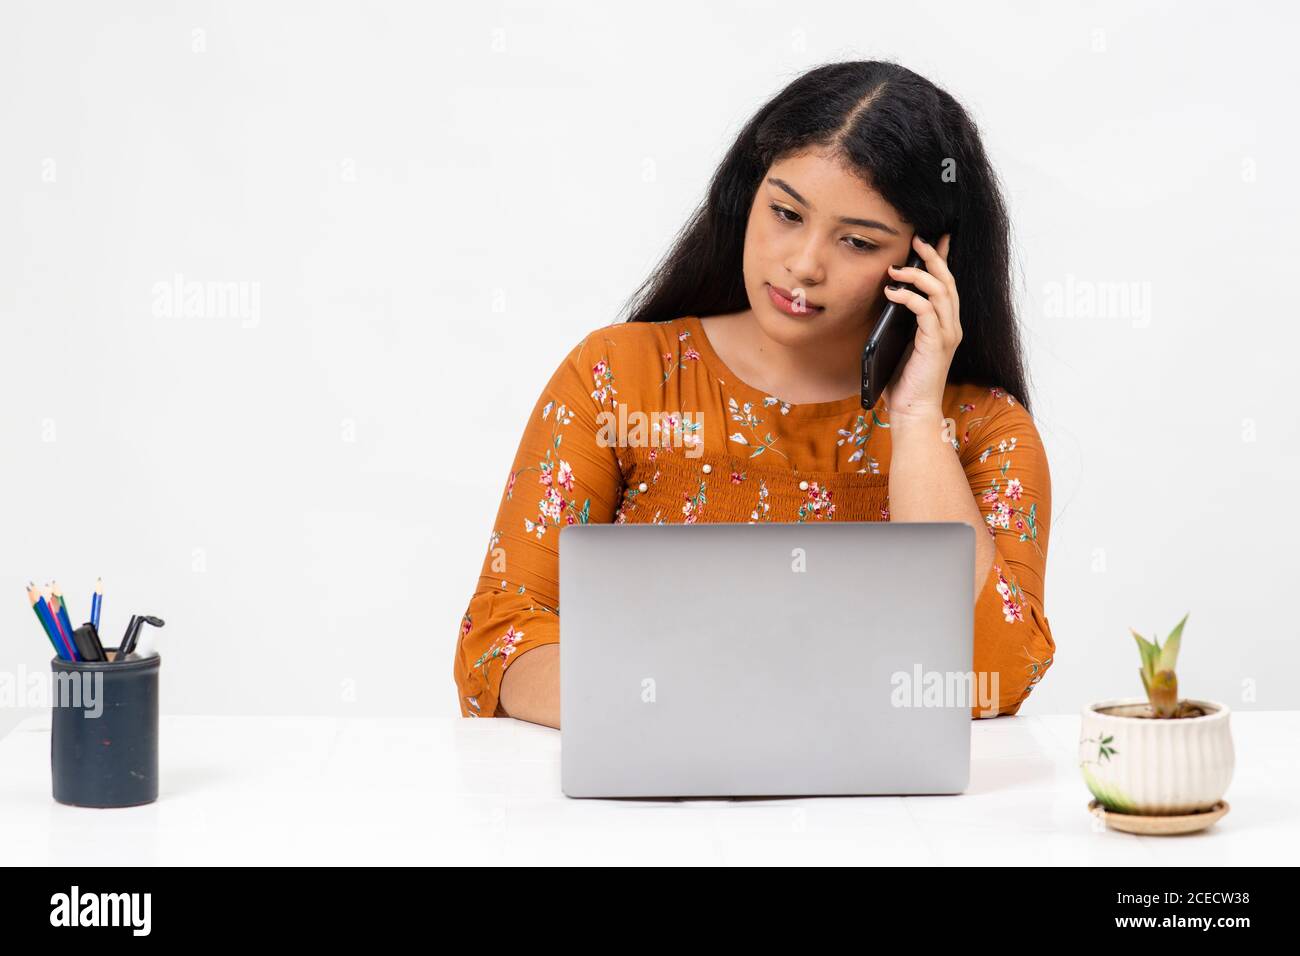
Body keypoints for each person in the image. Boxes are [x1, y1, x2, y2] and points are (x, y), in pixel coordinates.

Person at [453, 60, 1055, 729]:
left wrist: (915, 419)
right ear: (748, 196)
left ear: (923, 265)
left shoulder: (981, 430)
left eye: (857, 240)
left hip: (877, 821)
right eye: (786, 213)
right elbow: (500, 636)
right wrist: (665, 708)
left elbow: (990, 680)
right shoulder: (617, 378)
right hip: (647, 799)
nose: (803, 263)